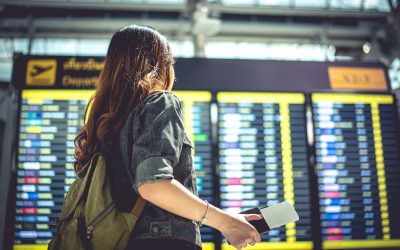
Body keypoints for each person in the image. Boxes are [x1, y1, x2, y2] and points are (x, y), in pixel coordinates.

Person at [73, 25, 262, 250]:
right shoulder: (160, 102)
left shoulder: (104, 124)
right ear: (161, 66)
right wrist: (226, 222)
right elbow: (153, 184)